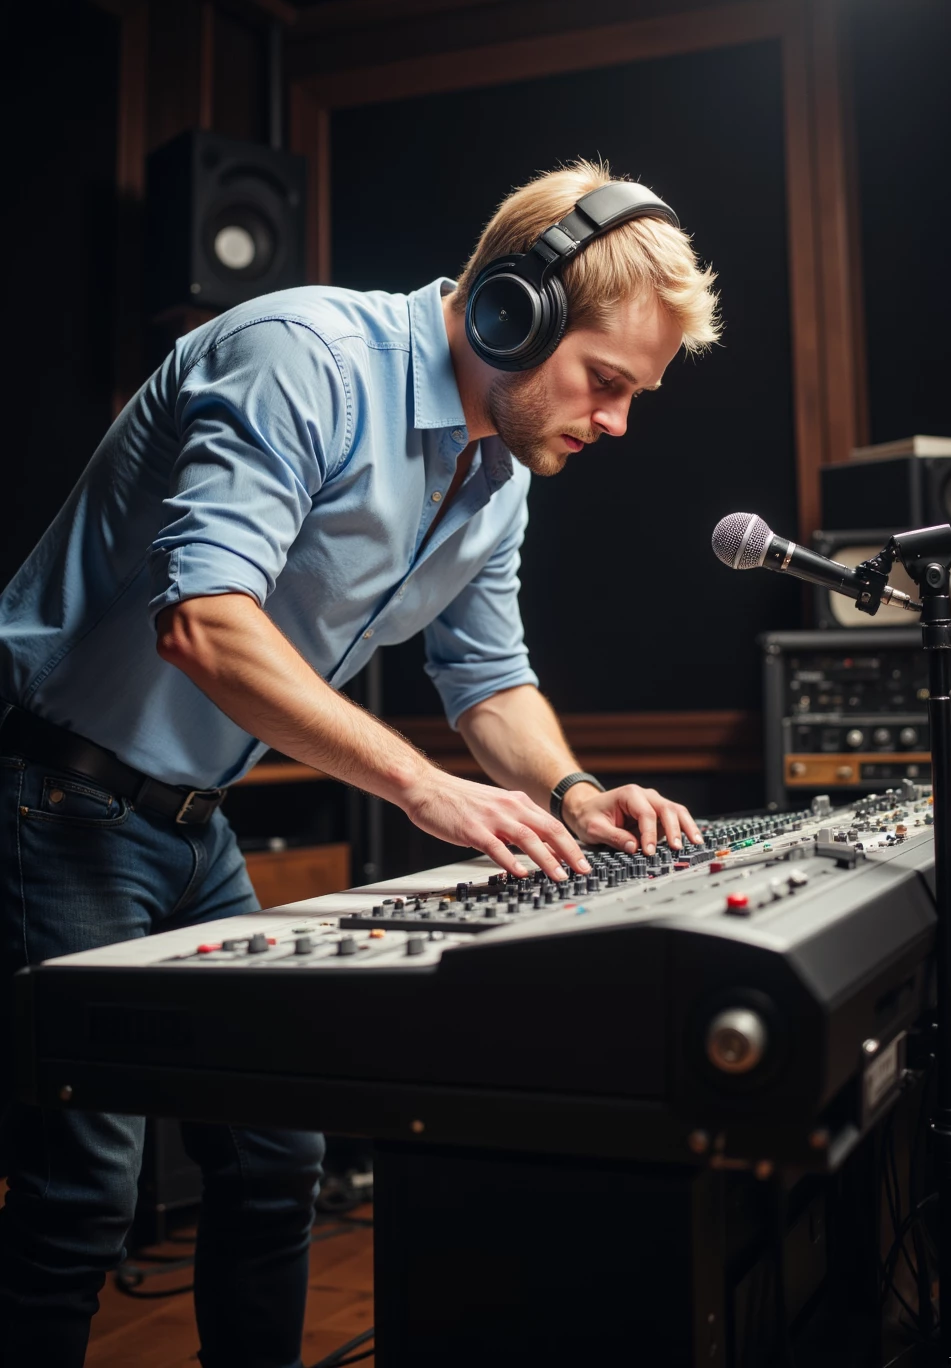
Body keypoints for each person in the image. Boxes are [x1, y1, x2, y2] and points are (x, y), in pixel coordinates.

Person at [0, 158, 720, 1367]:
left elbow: (488, 679)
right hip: (55, 798)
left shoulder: (496, 475)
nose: (615, 422)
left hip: (188, 823)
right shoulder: (306, 359)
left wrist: (576, 795)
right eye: (605, 383)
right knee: (83, 1198)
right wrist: (422, 786)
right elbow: (207, 622)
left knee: (279, 1158)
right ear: (512, 309)